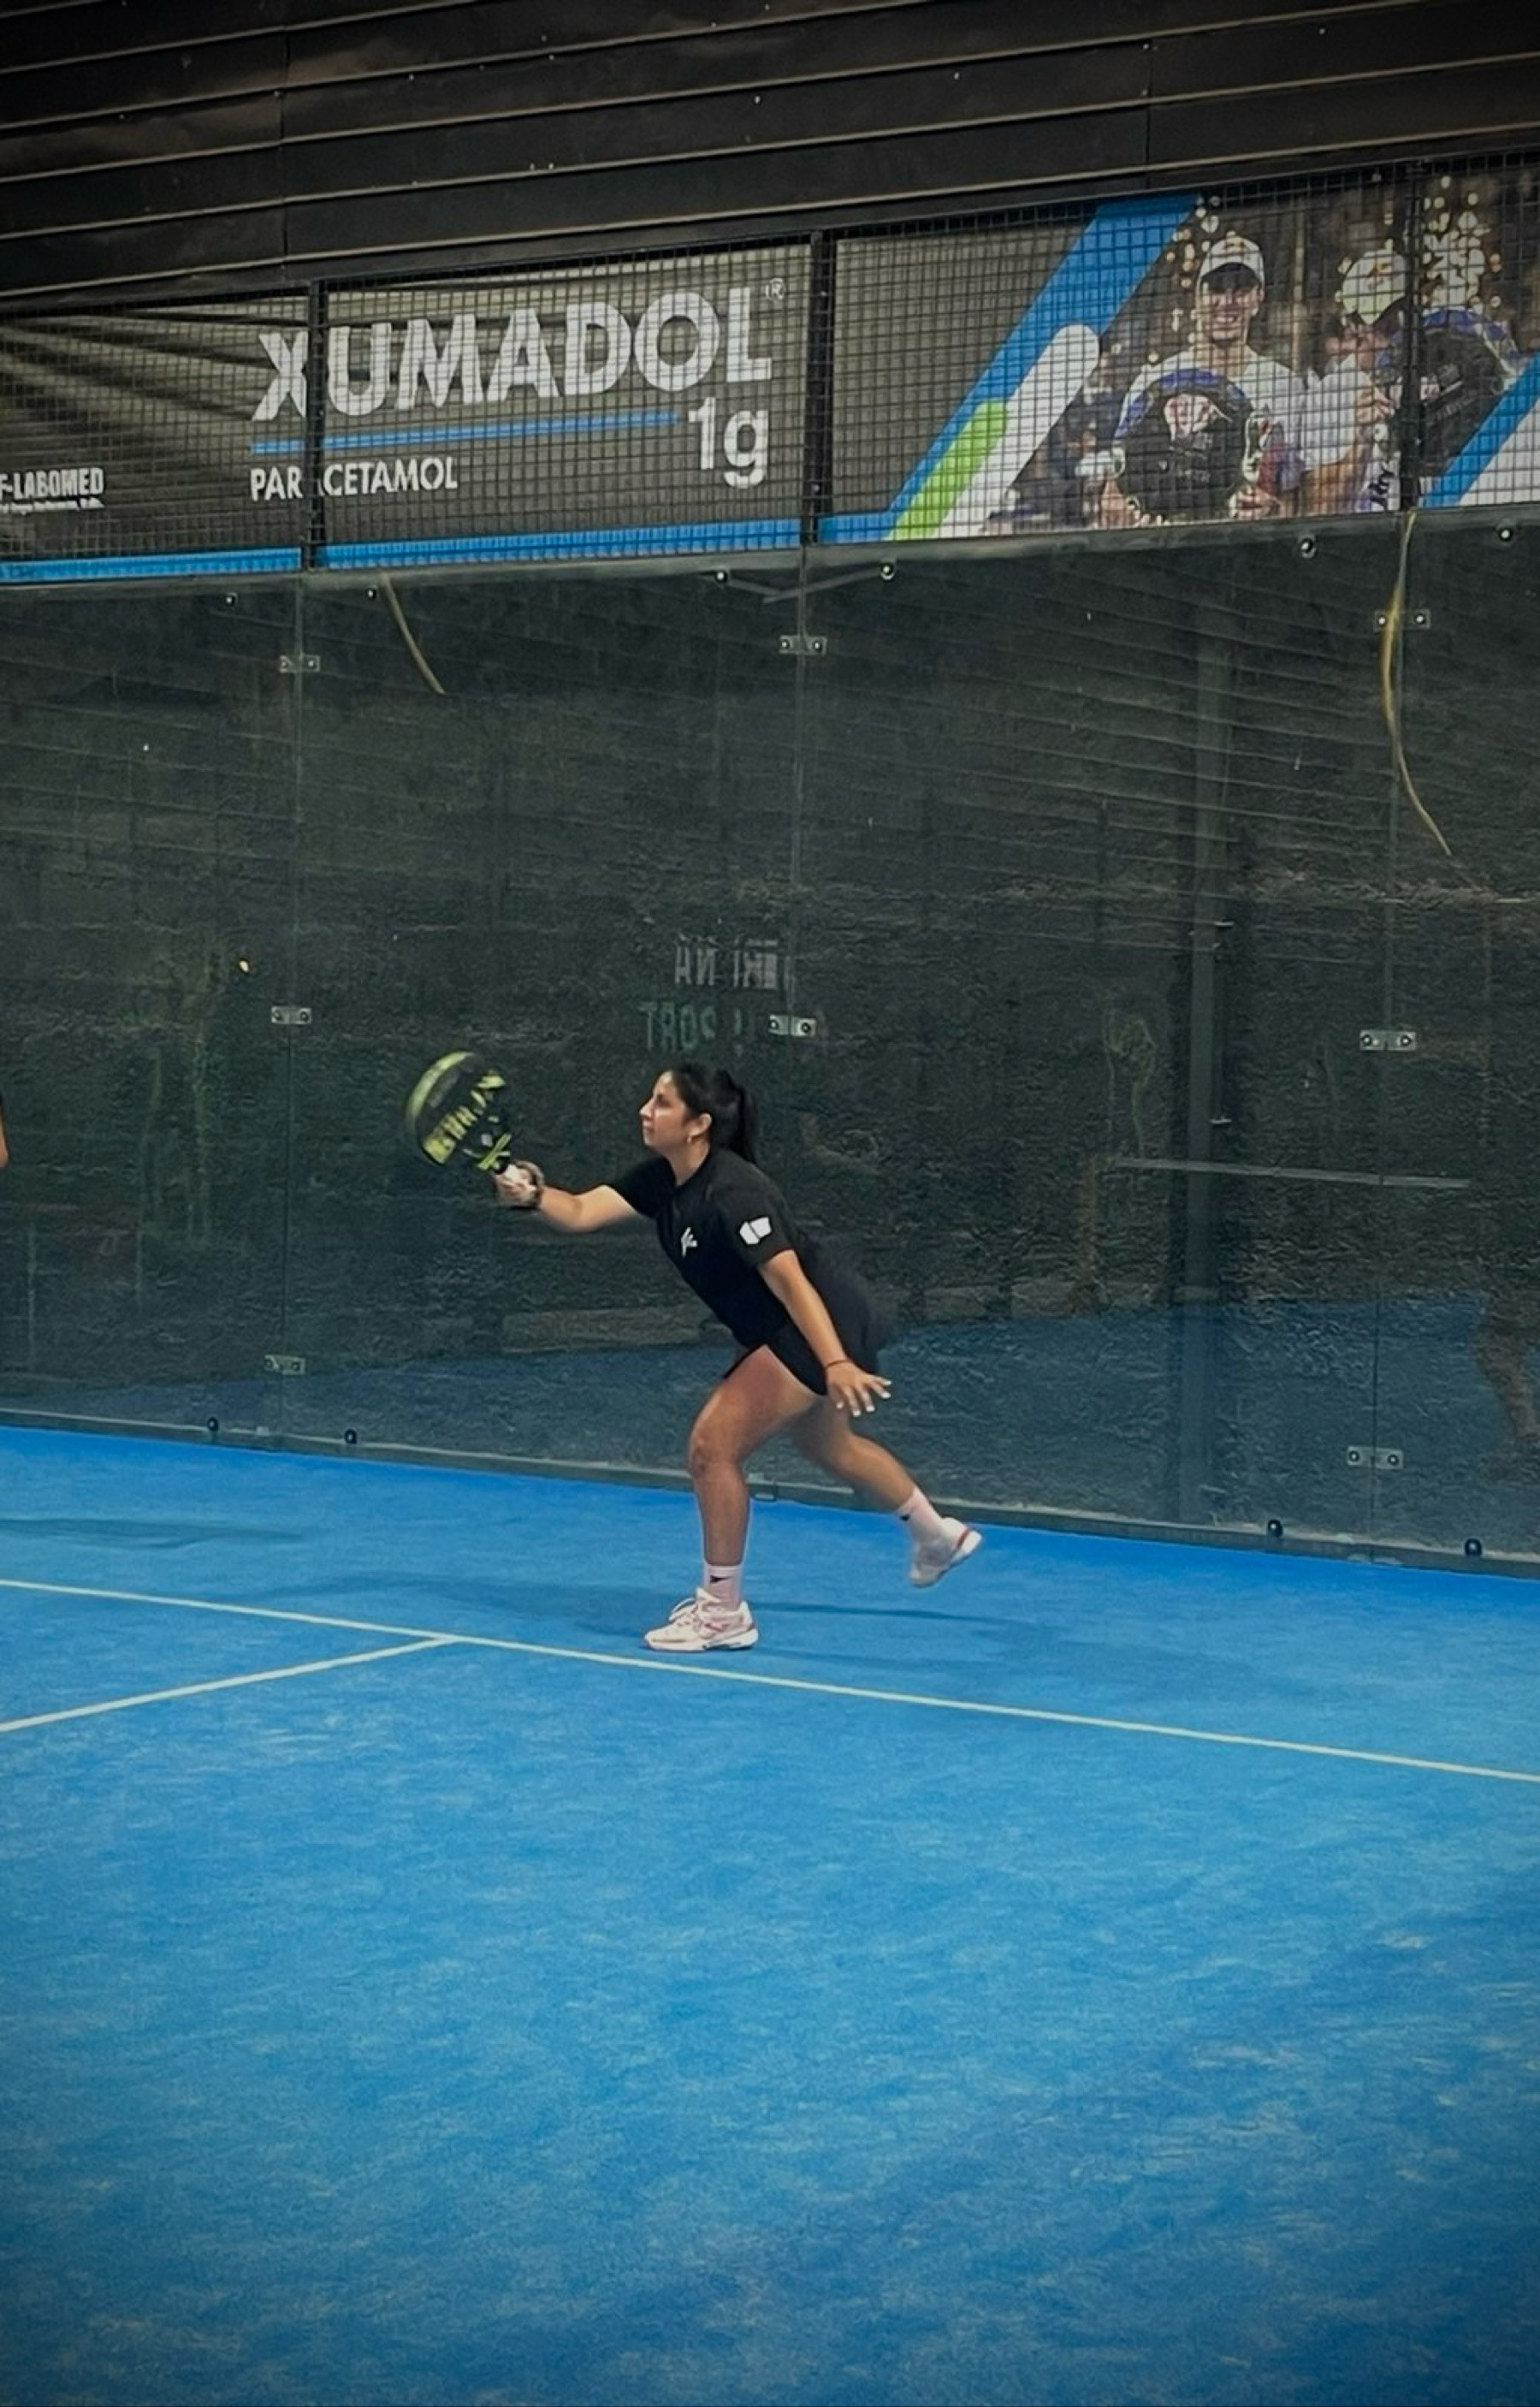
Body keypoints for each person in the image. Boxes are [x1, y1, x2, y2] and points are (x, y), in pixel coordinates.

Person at [492, 1062, 980, 1651]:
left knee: (712, 1447)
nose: (645, 1111)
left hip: (813, 1323)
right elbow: (579, 1212)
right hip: (812, 1326)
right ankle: (936, 1536)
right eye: (650, 1098)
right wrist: (533, 1193)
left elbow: (791, 1282)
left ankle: (722, 1611)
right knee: (828, 1445)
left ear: (698, 1124)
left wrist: (834, 1364)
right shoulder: (663, 1180)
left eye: (662, 1102)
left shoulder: (735, 1191)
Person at [1101, 231, 1308, 525]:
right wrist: (1122, 516)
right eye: (1217, 289)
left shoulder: (1285, 387)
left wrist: (1273, 512)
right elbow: (1113, 495)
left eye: (1241, 289)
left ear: (1258, 298)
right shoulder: (1154, 381)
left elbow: (1304, 498)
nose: (1227, 302)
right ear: (1198, 297)